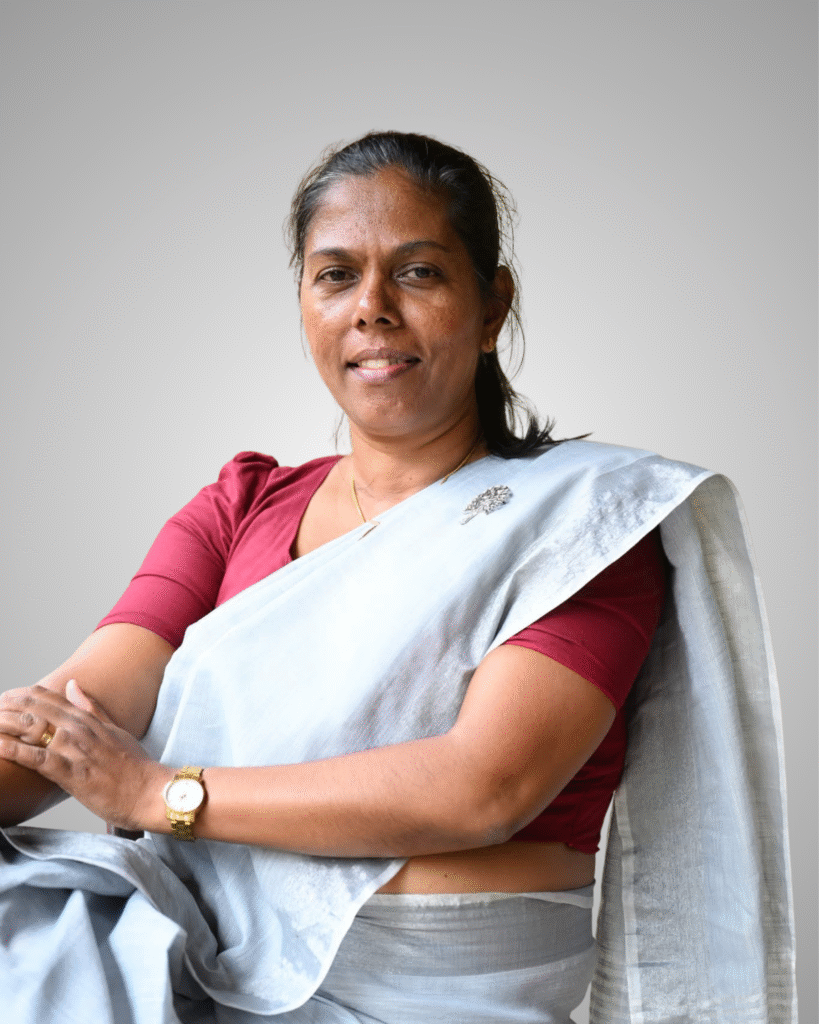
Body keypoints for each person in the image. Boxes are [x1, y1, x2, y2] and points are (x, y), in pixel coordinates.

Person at [0, 133, 795, 1024]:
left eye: (417, 273)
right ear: (305, 304)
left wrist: (158, 794)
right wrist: (55, 750)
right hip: (194, 965)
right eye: (336, 276)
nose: (371, 309)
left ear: (492, 307)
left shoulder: (582, 523)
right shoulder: (239, 507)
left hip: (440, 998)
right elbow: (75, 716)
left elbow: (481, 788)